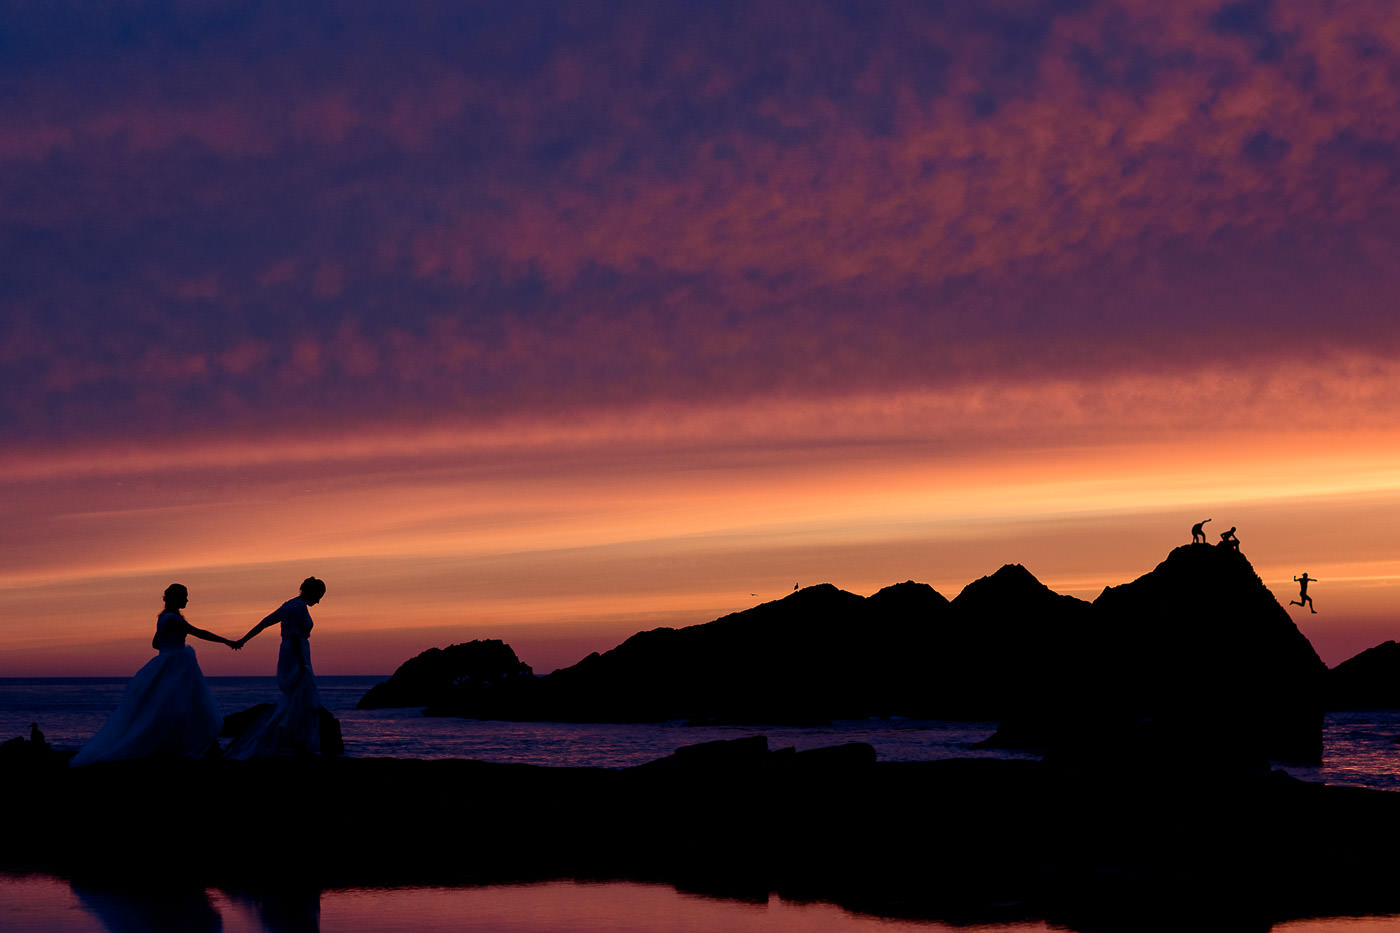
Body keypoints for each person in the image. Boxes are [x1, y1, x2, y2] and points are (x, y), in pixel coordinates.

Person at [72, 584, 239, 766]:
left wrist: (169, 645)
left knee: (168, 705)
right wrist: (226, 641)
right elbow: (200, 633)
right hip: (176, 665)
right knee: (179, 706)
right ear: (176, 598)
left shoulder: (163, 618)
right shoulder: (174, 619)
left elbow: (155, 643)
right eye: (184, 596)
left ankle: (175, 745)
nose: (187, 600)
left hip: (166, 662)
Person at [225, 577, 328, 758]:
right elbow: (296, 636)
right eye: (319, 596)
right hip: (296, 652)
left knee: (295, 695)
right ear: (311, 592)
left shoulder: (289, 605)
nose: (318, 601)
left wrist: (243, 640)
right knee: (302, 694)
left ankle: (290, 738)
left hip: (288, 650)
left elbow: (264, 623)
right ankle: (292, 738)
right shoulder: (299, 608)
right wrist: (302, 662)